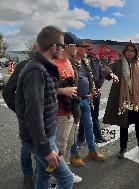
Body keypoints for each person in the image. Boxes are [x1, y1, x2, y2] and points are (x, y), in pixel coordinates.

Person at [15, 26, 73, 189]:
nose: (63, 49)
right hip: (42, 140)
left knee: (43, 178)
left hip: (46, 135)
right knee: (66, 179)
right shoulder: (36, 71)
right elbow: (33, 115)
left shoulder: (43, 67)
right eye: (62, 46)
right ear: (54, 47)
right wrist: (47, 150)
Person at [102, 42, 139, 159]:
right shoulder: (119, 63)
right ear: (124, 52)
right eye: (128, 50)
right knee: (124, 125)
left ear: (135, 52)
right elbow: (107, 69)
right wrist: (111, 74)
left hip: (138, 100)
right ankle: (122, 149)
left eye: (132, 51)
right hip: (124, 100)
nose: (129, 52)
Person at [2, 43, 38, 189]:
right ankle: (28, 175)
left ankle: (38, 172)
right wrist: (20, 110)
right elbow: (7, 92)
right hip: (28, 116)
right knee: (27, 146)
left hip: (44, 116)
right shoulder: (23, 66)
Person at [69, 40, 106, 167]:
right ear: (76, 48)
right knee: (73, 129)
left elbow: (91, 79)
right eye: (84, 47)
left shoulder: (85, 62)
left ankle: (92, 151)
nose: (87, 49)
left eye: (87, 48)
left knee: (89, 126)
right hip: (74, 101)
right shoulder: (69, 62)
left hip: (86, 99)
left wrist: (92, 93)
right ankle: (74, 155)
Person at [54, 32, 82, 183]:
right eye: (75, 45)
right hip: (59, 113)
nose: (77, 48)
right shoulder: (53, 63)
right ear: (66, 46)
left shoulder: (69, 62)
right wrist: (63, 90)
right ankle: (53, 179)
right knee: (59, 146)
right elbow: (43, 88)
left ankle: (65, 174)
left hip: (71, 111)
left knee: (69, 143)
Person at [77, 43, 107, 146]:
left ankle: (98, 136)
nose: (88, 51)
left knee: (95, 116)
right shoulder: (79, 61)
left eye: (90, 49)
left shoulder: (96, 60)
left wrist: (97, 88)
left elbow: (102, 75)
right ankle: (80, 138)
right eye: (86, 49)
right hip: (84, 94)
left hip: (95, 93)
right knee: (82, 117)